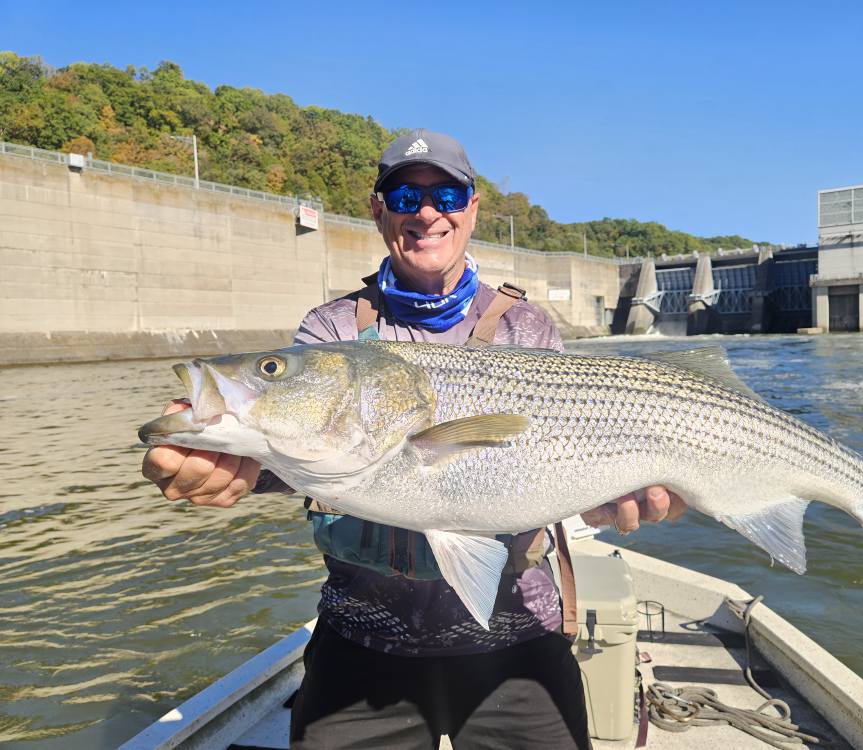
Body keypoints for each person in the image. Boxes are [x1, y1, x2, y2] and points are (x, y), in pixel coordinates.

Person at [142, 129, 686, 750]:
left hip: (520, 636)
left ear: (472, 209)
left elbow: (554, 460)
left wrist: (605, 496)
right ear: (379, 211)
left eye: (447, 194)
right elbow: (307, 453)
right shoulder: (333, 328)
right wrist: (228, 462)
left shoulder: (524, 325)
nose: (427, 212)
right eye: (404, 195)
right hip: (361, 639)